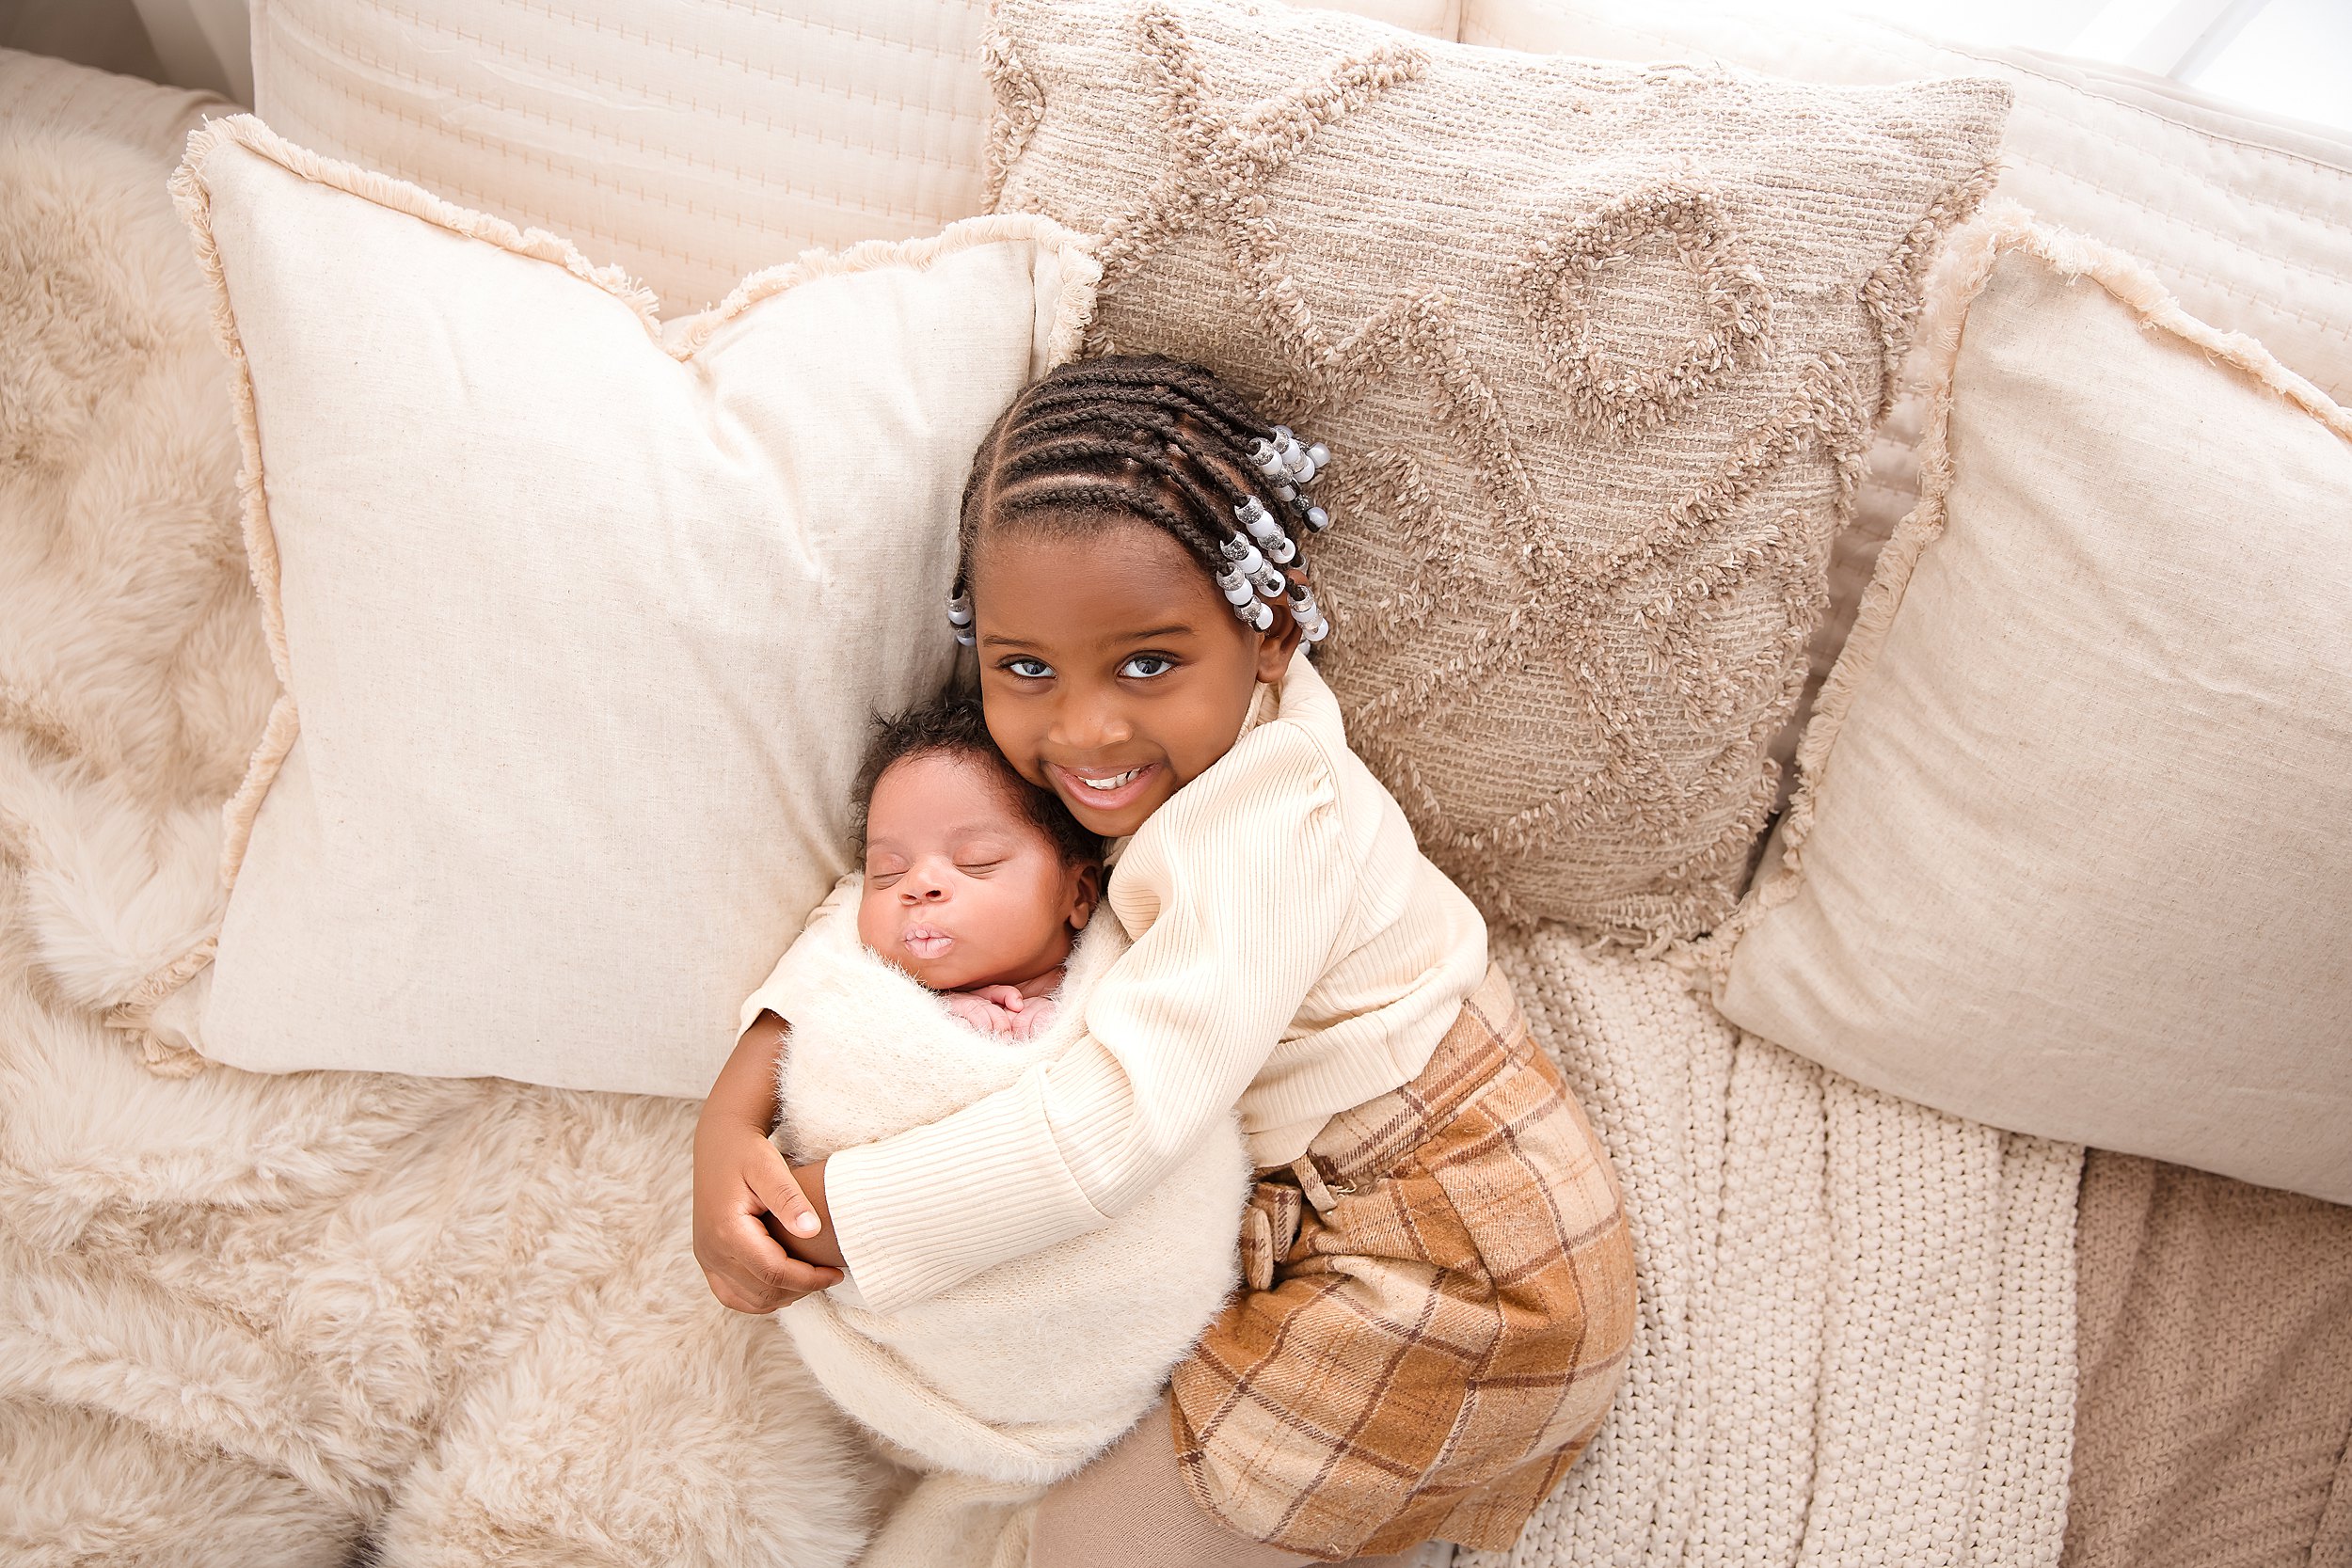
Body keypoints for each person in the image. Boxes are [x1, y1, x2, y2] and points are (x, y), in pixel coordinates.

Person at [693, 355, 1636, 1567]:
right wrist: (739, 1103)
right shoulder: (1085, 768)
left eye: (1148, 663)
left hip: (1464, 1251)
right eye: (1026, 668)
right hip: (1321, 1213)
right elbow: (908, 876)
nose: (1084, 732)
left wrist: (848, 1217)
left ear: (1273, 630)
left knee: (1109, 1539)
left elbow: (1120, 1118)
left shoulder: (1268, 821)